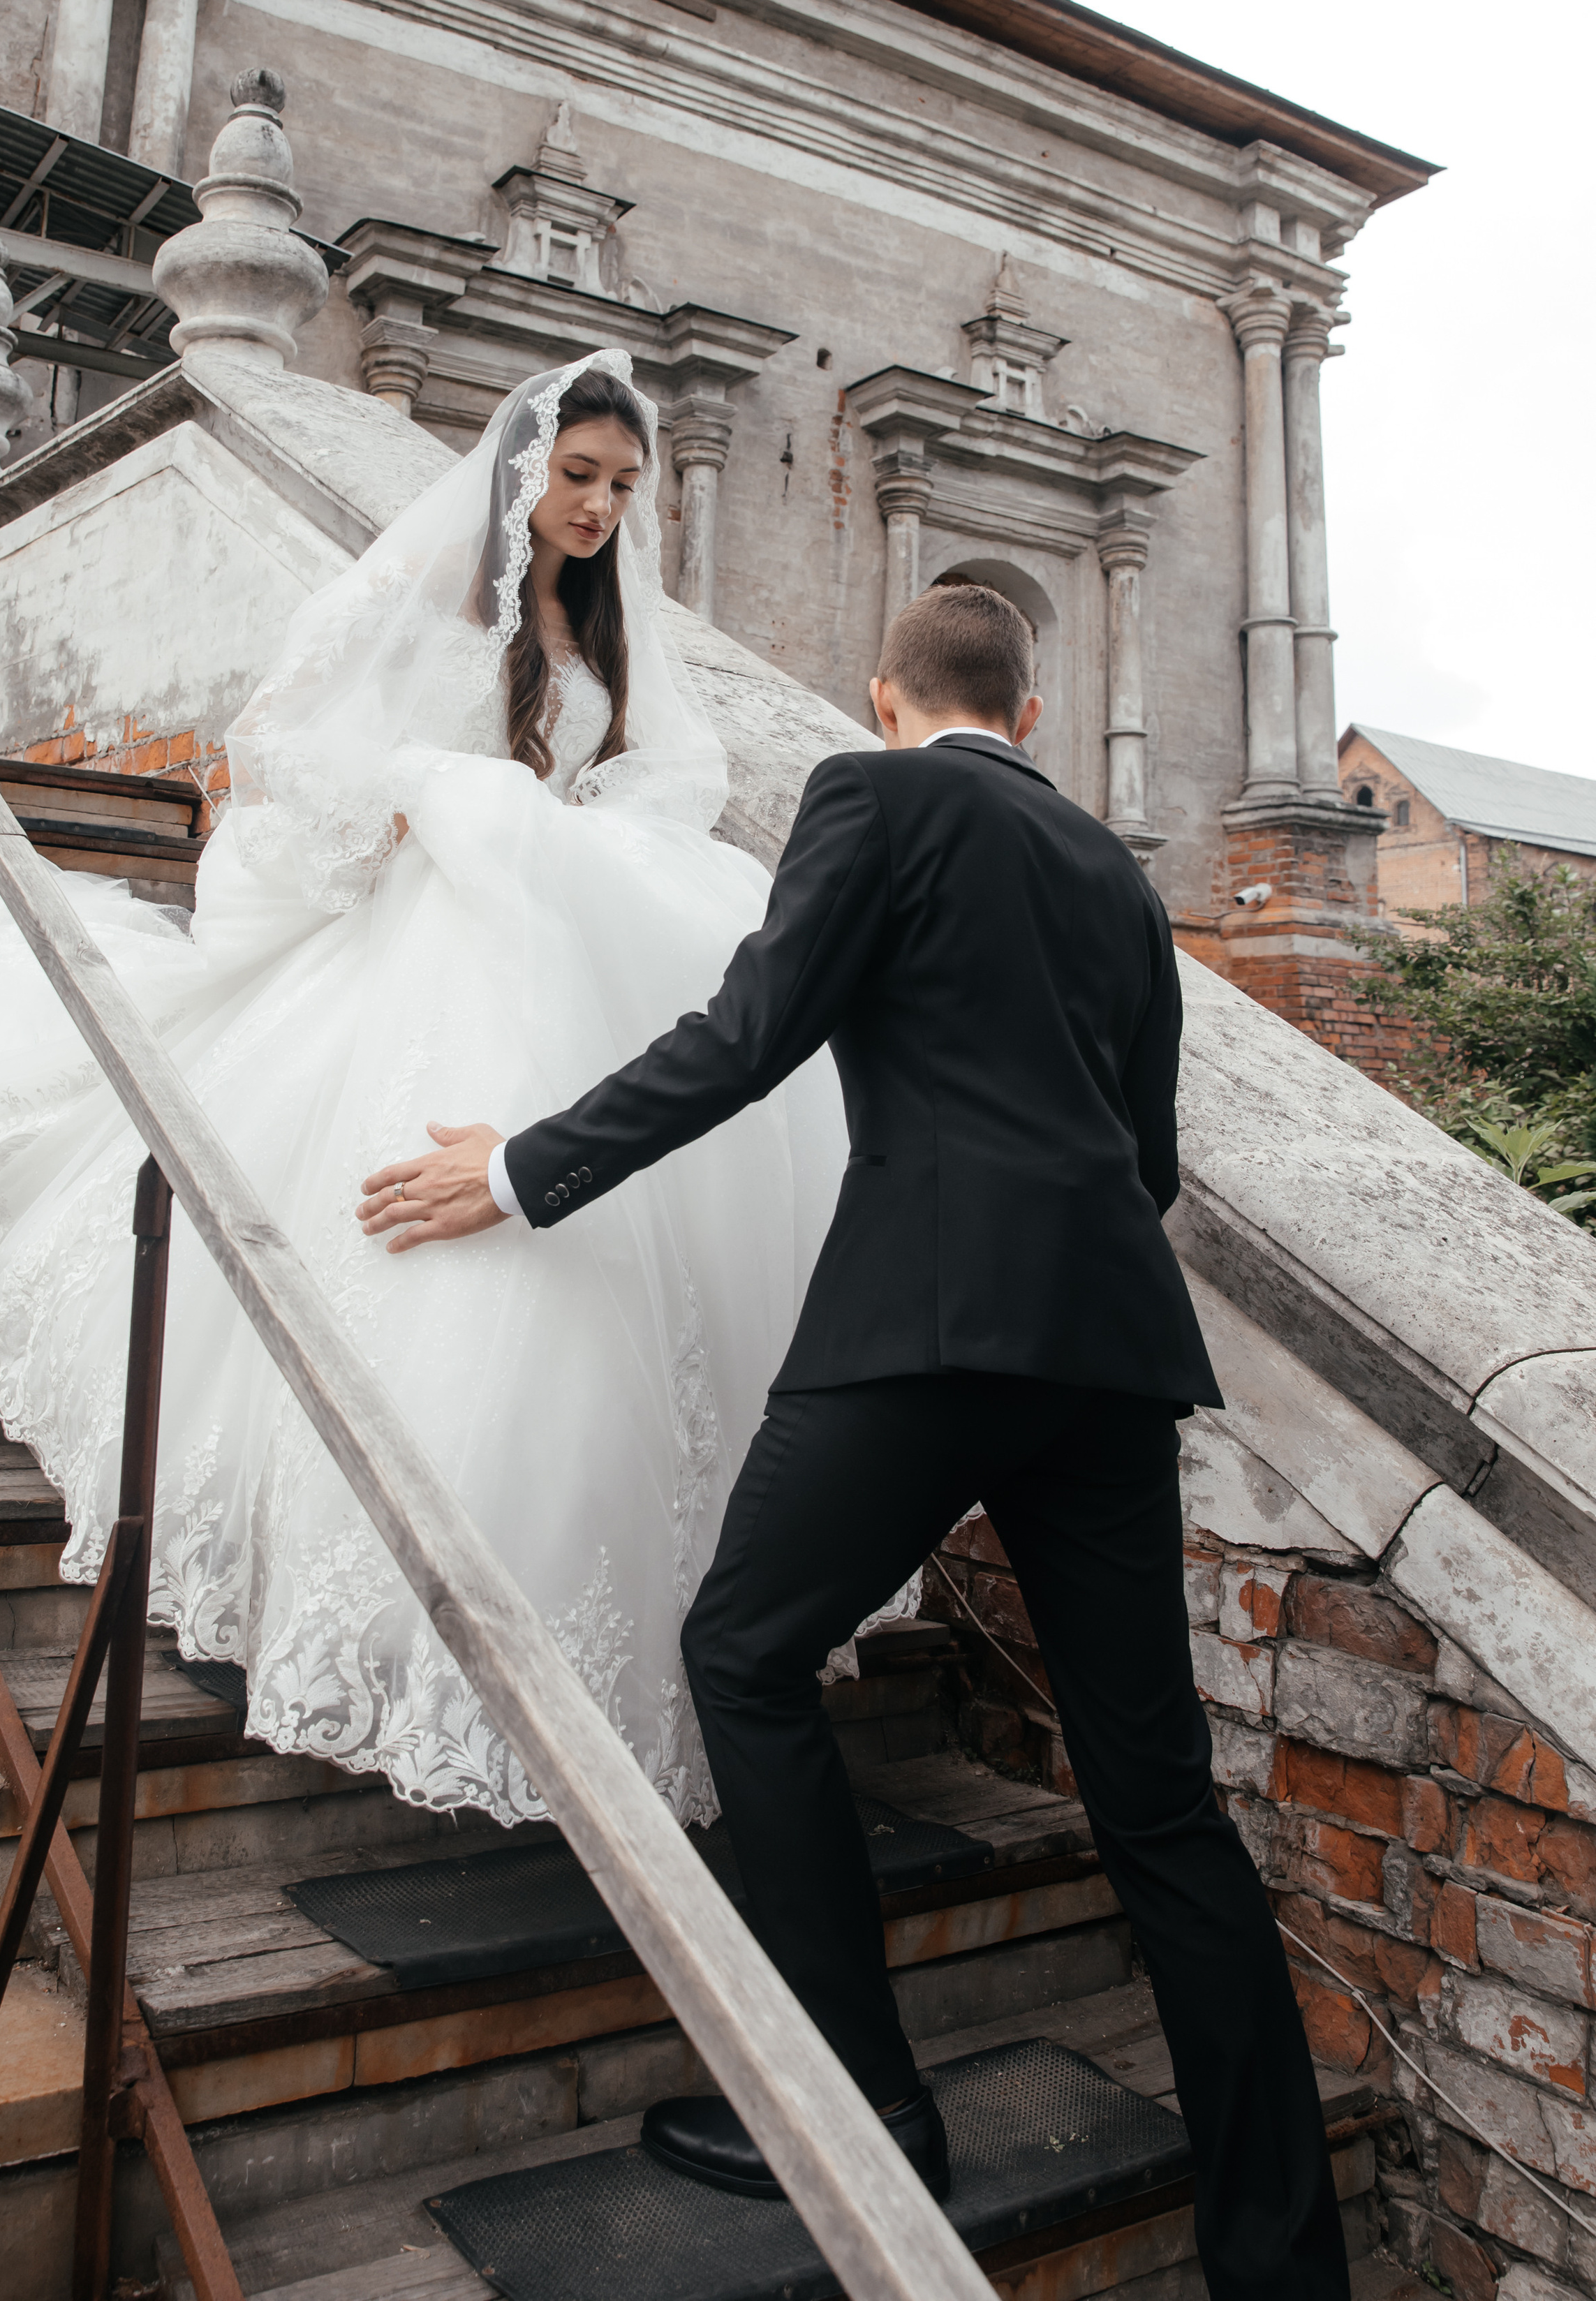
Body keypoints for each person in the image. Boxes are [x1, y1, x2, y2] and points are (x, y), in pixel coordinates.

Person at [360, 581, 1350, 2301]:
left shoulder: (869, 796)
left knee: (741, 1652)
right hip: (1109, 1351)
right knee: (1159, 1808)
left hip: (926, 1320)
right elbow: (1146, 1159)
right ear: (1026, 715)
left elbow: (748, 1036)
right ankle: (1281, 2263)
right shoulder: (1115, 877)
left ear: (881, 695)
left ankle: (859, 2101)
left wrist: (521, 1169)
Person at [0, 350, 850, 1830]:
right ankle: (384, 1595)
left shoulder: (612, 629)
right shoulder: (425, 597)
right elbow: (286, 743)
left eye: (623, 486)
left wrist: (578, 826)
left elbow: (673, 773)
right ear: (521, 471)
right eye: (577, 478)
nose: (602, 508)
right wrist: (424, 797)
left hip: (548, 930)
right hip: (427, 928)